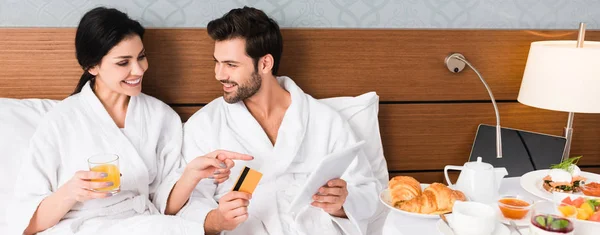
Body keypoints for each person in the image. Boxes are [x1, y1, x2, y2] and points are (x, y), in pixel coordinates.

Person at [8, 7, 251, 235]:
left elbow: (166, 207)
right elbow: (27, 223)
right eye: (123, 62)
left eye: (141, 57)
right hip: (81, 227)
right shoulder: (61, 120)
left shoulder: (161, 117)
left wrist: (191, 175)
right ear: (92, 66)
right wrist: (71, 192)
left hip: (145, 224)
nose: (138, 70)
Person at [180, 6, 379, 235]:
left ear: (265, 64)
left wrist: (342, 204)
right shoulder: (205, 125)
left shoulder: (326, 121)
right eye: (217, 62)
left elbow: (368, 192)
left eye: (231, 65)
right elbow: (187, 203)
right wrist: (217, 220)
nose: (219, 74)